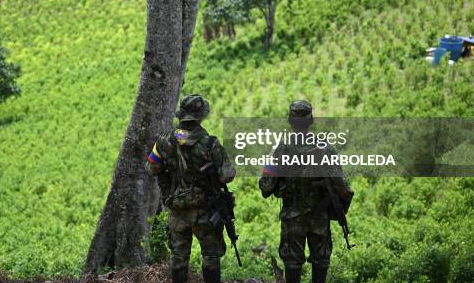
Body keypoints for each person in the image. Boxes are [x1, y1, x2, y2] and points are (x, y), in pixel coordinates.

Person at [259, 100, 354, 283]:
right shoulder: (326, 148)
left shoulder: (281, 148)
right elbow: (341, 185)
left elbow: (266, 186)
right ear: (311, 121)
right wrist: (342, 206)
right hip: (320, 216)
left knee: (292, 260)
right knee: (321, 259)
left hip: (292, 217)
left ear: (290, 121)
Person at [146, 95, 236, 283]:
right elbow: (226, 175)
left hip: (177, 207)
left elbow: (151, 168)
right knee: (210, 256)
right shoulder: (210, 144)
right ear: (201, 116)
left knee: (179, 256)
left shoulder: (163, 141)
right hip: (205, 210)